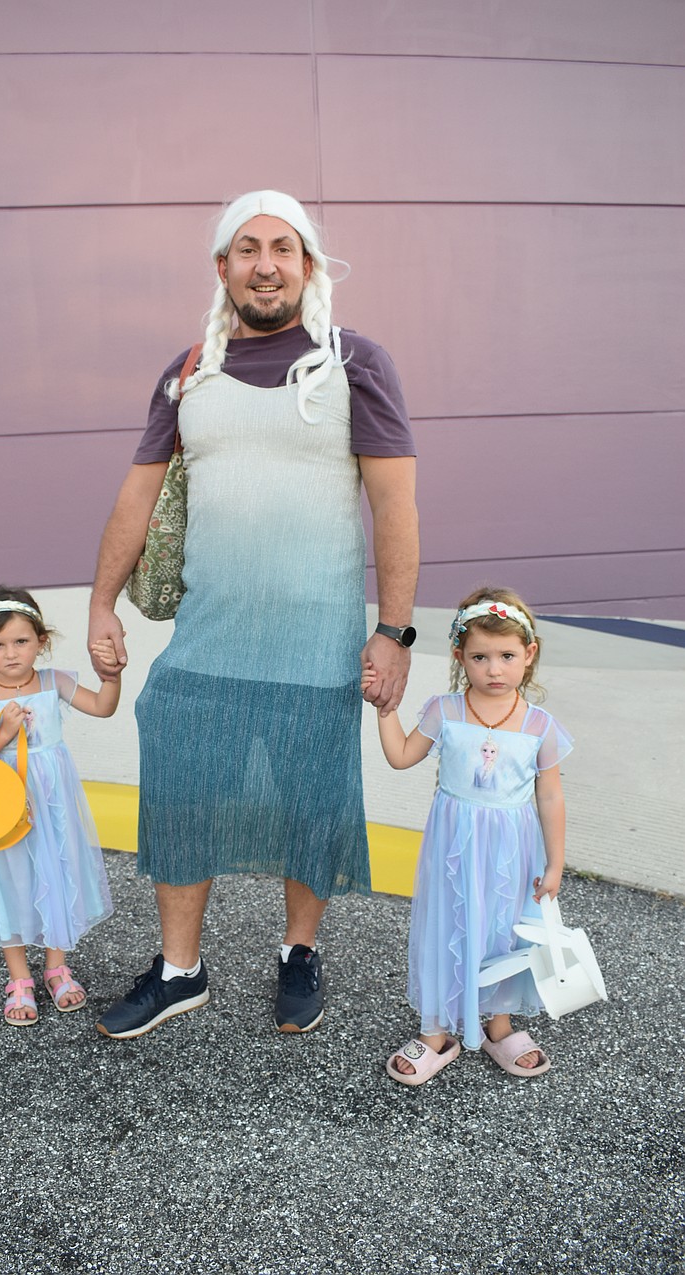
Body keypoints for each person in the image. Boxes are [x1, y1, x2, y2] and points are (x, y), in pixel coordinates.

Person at [88, 190, 418, 1039]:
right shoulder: (187, 371)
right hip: (209, 640)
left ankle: (298, 952)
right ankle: (180, 969)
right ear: (222, 266)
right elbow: (137, 495)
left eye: (282, 248)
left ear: (308, 265)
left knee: (312, 802)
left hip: (317, 645)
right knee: (181, 791)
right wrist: (99, 603)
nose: (265, 265)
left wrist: (394, 631)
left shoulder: (355, 362)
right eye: (247, 248)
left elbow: (394, 504)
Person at [361, 586, 572, 1085]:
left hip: (511, 849)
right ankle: (435, 1030)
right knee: (447, 922)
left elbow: (550, 797)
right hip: (452, 844)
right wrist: (385, 709)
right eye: (480, 657)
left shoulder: (539, 726)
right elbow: (401, 756)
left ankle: (498, 1024)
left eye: (506, 656)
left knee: (503, 929)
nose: (494, 669)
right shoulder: (446, 712)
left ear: (529, 654)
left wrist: (556, 862)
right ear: (460, 656)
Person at [0, 586, 121, 1026]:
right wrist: (2, 734)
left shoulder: (53, 682)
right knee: (9, 879)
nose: (11, 653)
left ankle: (56, 967)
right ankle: (19, 977)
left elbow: (102, 707)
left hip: (53, 804)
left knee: (57, 869)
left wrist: (112, 676)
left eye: (21, 641)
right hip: (3, 803)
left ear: (41, 641)